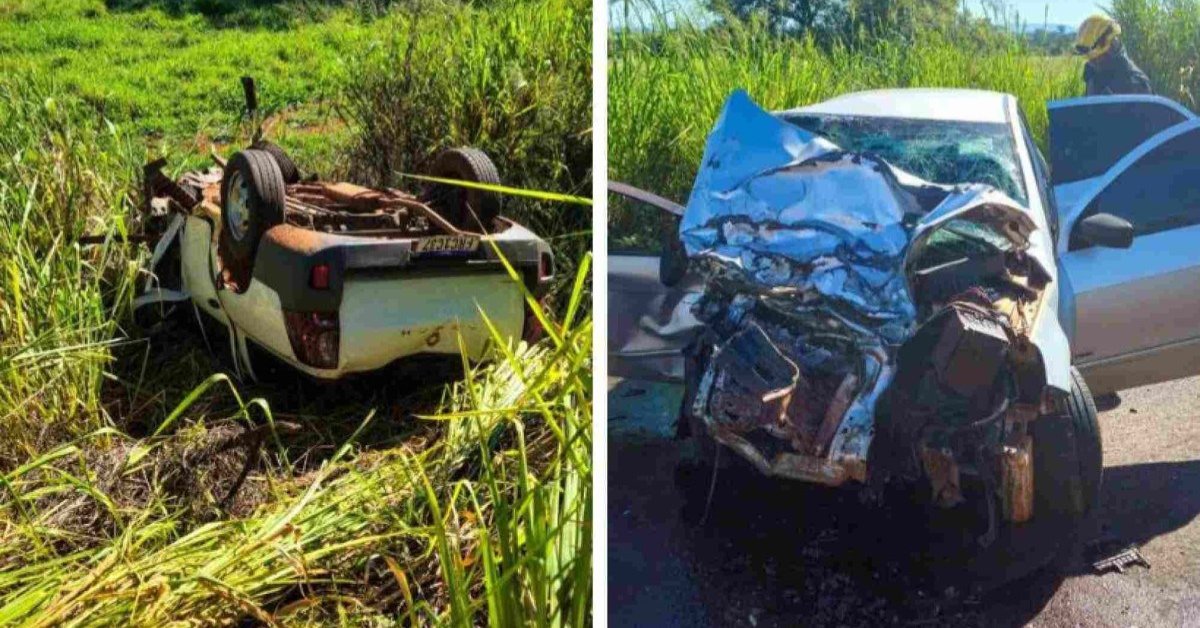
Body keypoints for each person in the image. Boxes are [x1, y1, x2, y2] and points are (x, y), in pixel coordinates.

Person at [1075, 15, 1153, 96]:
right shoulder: (1093, 75)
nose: (1093, 63)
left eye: (1096, 58)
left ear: (1111, 47)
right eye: (1091, 60)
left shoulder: (1136, 83)